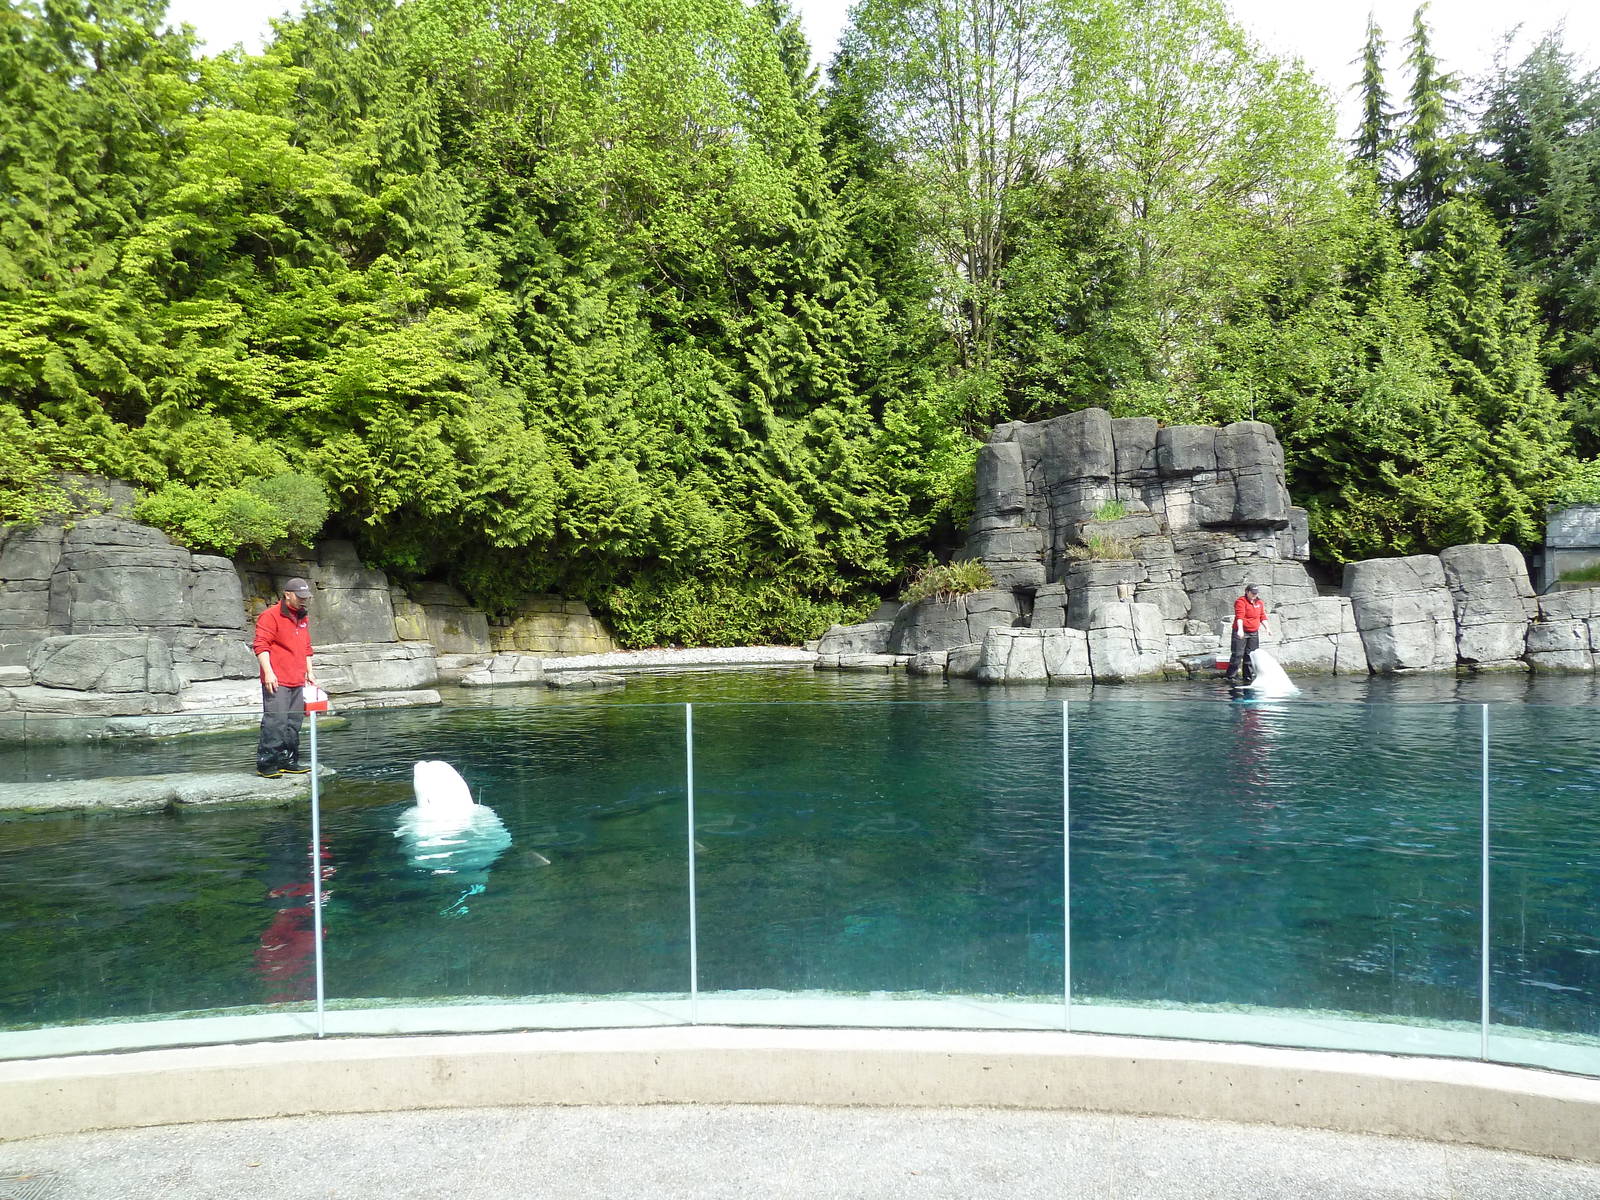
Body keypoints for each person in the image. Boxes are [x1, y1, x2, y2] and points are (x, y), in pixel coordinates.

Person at [254, 577, 318, 778]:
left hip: (297, 678)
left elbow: (306, 647)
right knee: (276, 721)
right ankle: (266, 764)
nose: (303, 601)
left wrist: (309, 671)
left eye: (305, 597)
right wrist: (269, 672)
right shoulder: (270, 616)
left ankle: (288, 760)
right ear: (287, 594)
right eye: (299, 597)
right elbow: (261, 645)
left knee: (293, 722)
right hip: (277, 680)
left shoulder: (302, 617)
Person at [1226, 582, 1267, 684]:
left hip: (1253, 632)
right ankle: (1231, 677)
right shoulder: (1241, 601)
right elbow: (1240, 616)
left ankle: (1248, 677)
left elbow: (1262, 616)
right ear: (1247, 592)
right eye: (1252, 593)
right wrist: (1240, 630)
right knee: (1237, 655)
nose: (1254, 595)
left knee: (1250, 655)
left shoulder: (1259, 603)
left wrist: (1268, 628)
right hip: (1241, 631)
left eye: (1256, 593)